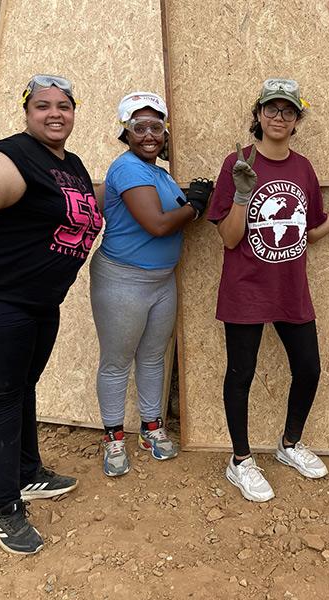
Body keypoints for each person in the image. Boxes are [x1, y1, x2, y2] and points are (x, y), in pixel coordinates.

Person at [0, 75, 102, 555]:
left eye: (64, 106)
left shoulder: (70, 163)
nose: (55, 113)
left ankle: (27, 472)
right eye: (42, 106)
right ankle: (0, 504)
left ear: (74, 112)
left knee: (21, 387)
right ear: (27, 113)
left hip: (37, 299)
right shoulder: (13, 155)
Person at [207, 78, 329, 502]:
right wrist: (243, 196)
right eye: (271, 109)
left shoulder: (302, 168)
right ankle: (241, 460)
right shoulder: (238, 163)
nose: (279, 117)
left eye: (288, 110)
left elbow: (310, 232)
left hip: (289, 286)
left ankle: (289, 444)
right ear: (258, 114)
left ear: (298, 118)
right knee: (240, 374)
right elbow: (229, 239)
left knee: (308, 367)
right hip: (246, 287)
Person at [91, 91, 212, 476]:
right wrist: (193, 206)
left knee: (153, 357)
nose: (148, 135)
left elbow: (169, 215)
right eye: (138, 127)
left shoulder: (157, 172)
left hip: (160, 280)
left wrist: (190, 203)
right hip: (123, 279)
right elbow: (158, 225)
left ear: (165, 132)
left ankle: (151, 429)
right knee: (116, 362)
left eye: (156, 127)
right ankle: (113, 438)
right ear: (125, 133)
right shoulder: (127, 169)